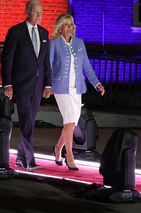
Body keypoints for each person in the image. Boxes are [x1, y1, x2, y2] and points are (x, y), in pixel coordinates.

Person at [48, 13, 105, 170]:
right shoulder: (53, 44)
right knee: (69, 120)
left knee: (72, 124)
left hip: (77, 88)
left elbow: (86, 66)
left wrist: (97, 83)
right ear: (59, 28)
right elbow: (47, 67)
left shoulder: (79, 43)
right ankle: (70, 156)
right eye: (66, 24)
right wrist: (46, 86)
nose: (69, 27)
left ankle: (58, 147)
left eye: (71, 24)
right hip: (61, 88)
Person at [0, 0, 51, 171]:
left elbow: (45, 62)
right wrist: (7, 84)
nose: (39, 16)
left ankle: (20, 158)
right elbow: (7, 60)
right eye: (36, 12)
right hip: (21, 85)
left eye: (41, 13)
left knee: (30, 121)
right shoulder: (16, 32)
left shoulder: (44, 33)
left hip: (37, 86)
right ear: (27, 12)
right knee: (26, 121)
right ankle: (30, 160)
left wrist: (48, 85)